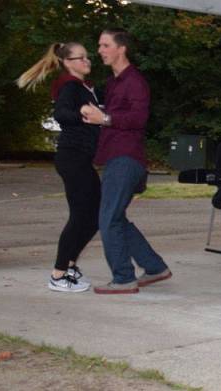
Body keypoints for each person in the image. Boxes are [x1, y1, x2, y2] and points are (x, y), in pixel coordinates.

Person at [80, 28, 171, 294]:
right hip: (115, 157)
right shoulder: (112, 84)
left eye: (105, 45)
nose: (100, 50)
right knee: (115, 217)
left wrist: (105, 118)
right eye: (99, 45)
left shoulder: (135, 82)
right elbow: (114, 115)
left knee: (107, 219)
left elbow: (138, 119)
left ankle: (123, 278)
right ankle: (154, 267)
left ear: (122, 48)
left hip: (126, 159)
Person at [17, 42, 101, 293]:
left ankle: (70, 266)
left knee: (94, 215)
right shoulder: (69, 86)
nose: (87, 61)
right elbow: (62, 114)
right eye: (81, 57)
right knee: (81, 216)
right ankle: (58, 274)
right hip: (72, 157)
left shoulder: (83, 87)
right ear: (68, 62)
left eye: (88, 57)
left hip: (80, 159)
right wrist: (84, 114)